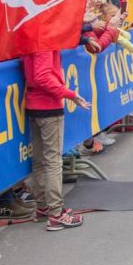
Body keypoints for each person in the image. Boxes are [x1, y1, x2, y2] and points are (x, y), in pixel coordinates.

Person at [24, 49, 91, 230]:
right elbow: (42, 76)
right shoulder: (45, 41)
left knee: (39, 159)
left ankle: (43, 207)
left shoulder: (32, 37)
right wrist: (70, 94)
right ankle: (55, 213)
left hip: (33, 103)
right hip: (48, 104)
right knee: (53, 160)